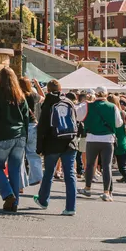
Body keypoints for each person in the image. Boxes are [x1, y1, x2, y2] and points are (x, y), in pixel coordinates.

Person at [0, 67, 32, 212]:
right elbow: (26, 118)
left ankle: (8, 194)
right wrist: (25, 136)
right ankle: (14, 203)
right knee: (15, 169)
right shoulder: (20, 97)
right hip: (20, 136)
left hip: (3, 136)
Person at [34, 80, 79, 215]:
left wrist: (39, 147)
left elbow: (42, 127)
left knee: (48, 173)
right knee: (70, 174)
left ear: (47, 90)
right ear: (61, 89)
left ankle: (43, 200)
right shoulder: (69, 102)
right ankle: (71, 207)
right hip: (70, 142)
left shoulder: (48, 103)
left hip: (52, 144)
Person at [82, 88, 120, 201]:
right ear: (106, 95)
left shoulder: (88, 106)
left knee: (89, 164)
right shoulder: (113, 107)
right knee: (106, 166)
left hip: (92, 138)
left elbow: (79, 116)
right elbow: (118, 123)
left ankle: (87, 188)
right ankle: (106, 192)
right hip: (108, 139)